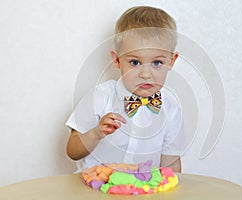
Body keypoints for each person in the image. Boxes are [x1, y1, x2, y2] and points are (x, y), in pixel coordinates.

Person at [66, 6, 185, 172]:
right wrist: (96, 133)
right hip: (96, 190)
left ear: (171, 61)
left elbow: (171, 164)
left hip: (143, 193)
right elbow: (72, 151)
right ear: (117, 60)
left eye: (157, 63)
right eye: (135, 62)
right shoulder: (100, 97)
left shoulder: (171, 108)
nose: (145, 74)